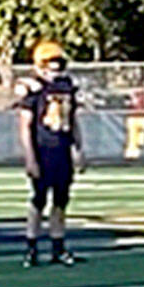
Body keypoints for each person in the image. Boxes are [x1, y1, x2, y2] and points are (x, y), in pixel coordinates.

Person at [15, 40, 85, 268]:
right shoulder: (33, 89)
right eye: (50, 63)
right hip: (43, 149)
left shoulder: (67, 87)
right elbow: (25, 125)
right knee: (38, 201)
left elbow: (73, 120)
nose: (55, 68)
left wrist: (79, 149)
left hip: (62, 149)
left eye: (58, 63)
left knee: (61, 202)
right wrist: (30, 158)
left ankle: (58, 246)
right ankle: (31, 246)